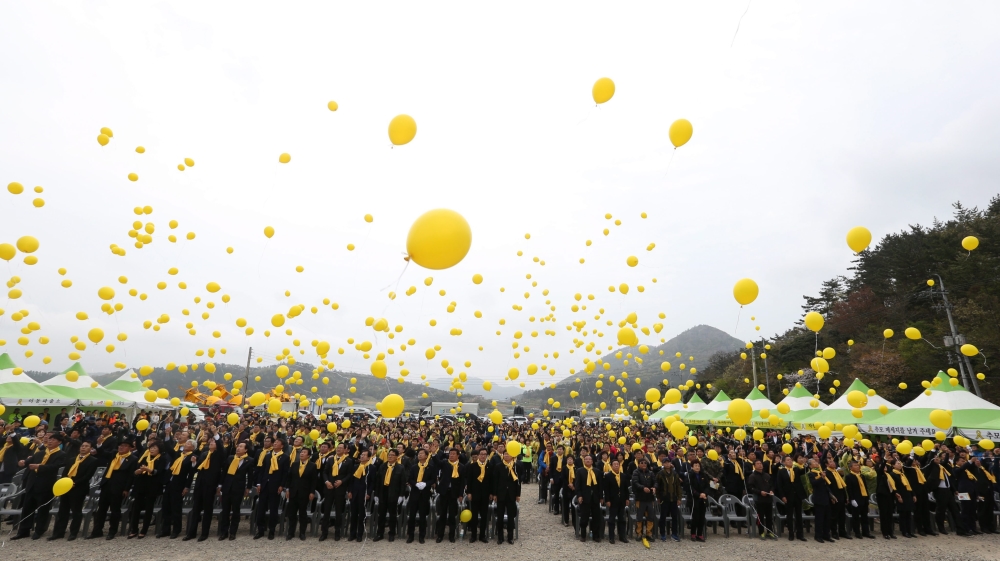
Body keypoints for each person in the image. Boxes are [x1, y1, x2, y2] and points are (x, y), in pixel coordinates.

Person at [11, 433, 68, 540]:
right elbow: (29, 460)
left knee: (43, 509)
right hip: (32, 483)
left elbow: (56, 466)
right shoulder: (40, 453)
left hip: (46, 484)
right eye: (49, 439)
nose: (50, 441)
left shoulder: (61, 454)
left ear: (59, 442)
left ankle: (39, 530)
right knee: (27, 508)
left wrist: (39, 467)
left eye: (54, 439)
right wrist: (23, 462)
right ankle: (23, 530)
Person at [87, 440, 137, 540]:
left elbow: (131, 476)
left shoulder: (132, 459)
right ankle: (97, 530)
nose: (121, 447)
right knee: (101, 509)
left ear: (130, 448)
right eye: (120, 445)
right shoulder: (114, 454)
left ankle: (112, 531)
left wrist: (126, 489)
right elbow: (103, 453)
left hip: (119, 487)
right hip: (107, 485)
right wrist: (99, 444)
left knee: (115, 510)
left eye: (124, 446)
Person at [49, 441, 98, 541]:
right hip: (66, 487)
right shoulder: (72, 459)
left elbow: (88, 476)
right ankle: (59, 532)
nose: (83, 448)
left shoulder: (92, 460)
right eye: (82, 446)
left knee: (76, 511)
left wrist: (74, 483)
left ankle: (73, 532)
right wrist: (64, 483)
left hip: (79, 488)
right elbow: (65, 472)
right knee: (63, 510)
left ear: (91, 448)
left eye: (86, 446)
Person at [184, 437, 224, 541]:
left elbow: (220, 446)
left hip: (210, 484)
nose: (211, 443)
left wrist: (215, 435)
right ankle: (191, 532)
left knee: (207, 509)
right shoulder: (204, 453)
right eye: (211, 441)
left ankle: (204, 533)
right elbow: (197, 466)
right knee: (195, 508)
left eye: (214, 442)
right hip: (200, 483)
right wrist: (193, 462)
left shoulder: (218, 454)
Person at [157, 440, 196, 538]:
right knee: (166, 507)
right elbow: (169, 449)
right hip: (170, 482)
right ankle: (165, 530)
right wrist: (167, 437)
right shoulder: (179, 455)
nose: (186, 445)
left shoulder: (193, 457)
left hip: (180, 484)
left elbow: (191, 474)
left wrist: (187, 487)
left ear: (193, 447)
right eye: (186, 443)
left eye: (188, 444)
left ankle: (176, 530)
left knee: (176, 508)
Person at [127, 442, 166, 539]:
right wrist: (138, 472)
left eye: (154, 448)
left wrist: (149, 470)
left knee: (149, 509)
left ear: (159, 449)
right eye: (151, 448)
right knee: (136, 508)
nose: (152, 450)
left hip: (152, 486)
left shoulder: (162, 458)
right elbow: (136, 471)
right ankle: (134, 529)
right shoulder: (145, 457)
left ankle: (144, 530)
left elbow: (159, 472)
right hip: (140, 485)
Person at [923, 451, 966, 535]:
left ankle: (960, 529)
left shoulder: (943, 467)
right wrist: (932, 451)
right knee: (941, 510)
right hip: (939, 491)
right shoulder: (932, 467)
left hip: (948, 490)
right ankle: (941, 528)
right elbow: (929, 461)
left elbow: (949, 479)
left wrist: (954, 490)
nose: (937, 459)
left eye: (938, 458)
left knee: (955, 510)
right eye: (935, 458)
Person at [254, 438, 289, 540]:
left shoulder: (285, 457)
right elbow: (262, 471)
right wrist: (259, 483)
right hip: (264, 485)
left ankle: (272, 530)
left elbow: (285, 473)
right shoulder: (268, 455)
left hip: (276, 486)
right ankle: (260, 529)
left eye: (277, 443)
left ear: (282, 446)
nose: (275, 444)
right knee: (261, 508)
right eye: (275, 442)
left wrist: (282, 485)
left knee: (273, 509)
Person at [217, 441, 253, 540]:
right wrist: (220, 485)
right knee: (225, 510)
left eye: (241, 447)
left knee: (236, 510)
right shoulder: (230, 458)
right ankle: (224, 532)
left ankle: (233, 532)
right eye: (238, 446)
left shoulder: (249, 460)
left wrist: (248, 487)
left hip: (238, 488)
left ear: (246, 450)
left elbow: (250, 476)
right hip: (227, 487)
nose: (238, 448)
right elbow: (224, 472)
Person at [320, 443, 353, 541]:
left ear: (345, 450)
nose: (338, 449)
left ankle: (337, 532)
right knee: (326, 511)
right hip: (329, 488)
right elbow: (325, 472)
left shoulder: (349, 461)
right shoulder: (330, 459)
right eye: (337, 448)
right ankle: (324, 532)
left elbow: (349, 474)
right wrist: (326, 482)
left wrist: (342, 481)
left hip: (340, 489)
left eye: (341, 448)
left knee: (339, 512)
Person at [283, 447, 317, 540]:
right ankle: (291, 532)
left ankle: (302, 533)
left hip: (304, 493)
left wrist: (312, 492)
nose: (302, 454)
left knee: (302, 514)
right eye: (301, 452)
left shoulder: (312, 465)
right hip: (293, 492)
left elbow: (314, 481)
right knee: (292, 514)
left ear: (308, 455)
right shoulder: (294, 464)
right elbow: (289, 478)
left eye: (304, 452)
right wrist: (287, 489)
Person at [373, 449, 406, 542]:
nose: (390, 456)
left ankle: (392, 533)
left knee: (393, 515)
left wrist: (401, 495)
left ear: (396, 457)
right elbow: (378, 481)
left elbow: (402, 482)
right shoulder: (382, 466)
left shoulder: (400, 467)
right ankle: (380, 533)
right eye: (389, 455)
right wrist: (376, 494)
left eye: (392, 455)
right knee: (381, 515)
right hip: (383, 493)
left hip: (394, 493)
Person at [406, 448, 436, 543]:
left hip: (425, 494)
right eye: (419, 453)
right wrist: (415, 484)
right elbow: (410, 479)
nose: (420, 455)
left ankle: (421, 536)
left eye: (422, 453)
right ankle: (410, 535)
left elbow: (433, 479)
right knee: (412, 516)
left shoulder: (431, 467)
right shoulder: (414, 467)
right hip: (414, 493)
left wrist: (425, 484)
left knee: (423, 516)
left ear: (426, 456)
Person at [434, 448, 464, 542]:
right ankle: (440, 535)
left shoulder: (461, 466)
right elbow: (437, 462)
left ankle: (451, 535)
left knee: (452, 515)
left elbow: (462, 482)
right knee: (442, 514)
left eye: (453, 454)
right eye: (450, 454)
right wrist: (434, 453)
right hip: (444, 492)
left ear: (458, 455)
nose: (451, 455)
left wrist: (460, 494)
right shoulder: (444, 463)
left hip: (454, 493)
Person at [775, 454, 806, 542]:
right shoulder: (781, 471)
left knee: (799, 515)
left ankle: (800, 534)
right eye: (788, 460)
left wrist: (805, 463)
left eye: (791, 460)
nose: (790, 461)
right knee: (789, 515)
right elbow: (779, 485)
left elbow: (804, 471)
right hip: (788, 496)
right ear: (784, 462)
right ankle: (791, 533)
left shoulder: (796, 469)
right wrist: (782, 496)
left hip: (797, 495)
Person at [492, 450, 520, 544]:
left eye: (508, 454)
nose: (506, 455)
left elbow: (518, 482)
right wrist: (495, 494)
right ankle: (500, 537)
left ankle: (510, 536)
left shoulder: (515, 466)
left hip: (511, 495)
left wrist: (518, 494)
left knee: (511, 517)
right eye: (505, 454)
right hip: (501, 494)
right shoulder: (498, 466)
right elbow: (495, 481)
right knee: (500, 516)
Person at [464, 447, 491, 543]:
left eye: (485, 454)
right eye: (481, 454)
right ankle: (473, 535)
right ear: (478, 455)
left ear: (487, 455)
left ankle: (482, 535)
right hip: (475, 494)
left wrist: (491, 493)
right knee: (474, 516)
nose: (483, 456)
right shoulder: (473, 466)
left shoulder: (490, 466)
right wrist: (469, 493)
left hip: (486, 495)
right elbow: (469, 481)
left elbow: (492, 481)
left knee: (484, 516)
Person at [655, 455, 683, 542]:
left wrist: (679, 498)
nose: (667, 464)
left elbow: (678, 486)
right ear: (663, 464)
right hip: (664, 498)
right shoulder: (660, 474)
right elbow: (657, 487)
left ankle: (674, 534)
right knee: (663, 516)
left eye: (668, 462)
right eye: (665, 462)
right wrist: (658, 497)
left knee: (675, 517)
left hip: (673, 498)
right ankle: (662, 534)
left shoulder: (675, 474)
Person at [348, 449, 373, 542]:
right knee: (353, 515)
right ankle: (352, 534)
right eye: (361, 455)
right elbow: (351, 480)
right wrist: (350, 491)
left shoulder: (371, 468)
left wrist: (369, 493)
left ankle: (360, 534)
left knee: (362, 516)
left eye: (364, 455)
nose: (362, 456)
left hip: (364, 494)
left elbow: (372, 483)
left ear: (368, 458)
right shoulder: (356, 466)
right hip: (354, 493)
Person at [575, 454, 601, 542]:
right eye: (586, 459)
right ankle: (583, 535)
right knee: (584, 517)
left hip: (595, 498)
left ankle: (596, 535)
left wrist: (600, 497)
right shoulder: (580, 471)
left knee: (596, 517)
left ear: (592, 461)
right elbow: (577, 485)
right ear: (584, 461)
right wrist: (579, 496)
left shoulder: (597, 471)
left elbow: (600, 486)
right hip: (584, 497)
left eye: (590, 459)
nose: (588, 460)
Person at [845, 460, 874, 539]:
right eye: (855, 465)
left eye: (858, 465)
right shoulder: (849, 476)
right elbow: (849, 489)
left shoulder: (862, 476)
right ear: (851, 468)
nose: (857, 467)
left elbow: (865, 486)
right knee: (856, 517)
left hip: (864, 498)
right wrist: (852, 499)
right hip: (856, 499)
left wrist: (867, 497)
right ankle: (857, 532)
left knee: (865, 516)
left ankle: (866, 532)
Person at [746, 459, 775, 539]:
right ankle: (761, 532)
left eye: (761, 463)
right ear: (754, 466)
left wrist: (772, 490)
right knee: (760, 516)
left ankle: (770, 531)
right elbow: (750, 488)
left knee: (769, 517)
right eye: (758, 464)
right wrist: (759, 492)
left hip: (768, 499)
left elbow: (772, 485)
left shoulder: (767, 475)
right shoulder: (752, 476)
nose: (760, 465)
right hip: (759, 499)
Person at [604, 458, 629, 544]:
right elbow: (606, 490)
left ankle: (622, 536)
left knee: (622, 519)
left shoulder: (623, 476)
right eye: (614, 464)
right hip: (612, 500)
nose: (616, 465)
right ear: (611, 466)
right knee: (612, 519)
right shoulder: (608, 476)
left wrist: (627, 498)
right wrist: (607, 500)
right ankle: (611, 537)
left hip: (621, 500)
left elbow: (626, 489)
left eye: (617, 464)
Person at [889, 458, 916, 538]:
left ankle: (909, 530)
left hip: (908, 495)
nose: (899, 465)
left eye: (900, 463)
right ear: (893, 465)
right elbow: (893, 486)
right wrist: (897, 495)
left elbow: (908, 485)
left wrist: (913, 494)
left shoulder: (903, 474)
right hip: (900, 495)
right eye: (897, 463)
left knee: (908, 514)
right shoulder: (892, 474)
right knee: (903, 514)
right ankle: (904, 531)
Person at [631, 457, 656, 542]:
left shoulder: (651, 473)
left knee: (650, 516)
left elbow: (655, 482)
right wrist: (643, 488)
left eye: (645, 463)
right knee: (639, 517)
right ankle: (639, 533)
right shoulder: (636, 472)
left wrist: (654, 487)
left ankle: (649, 533)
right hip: (640, 498)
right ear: (638, 464)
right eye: (641, 463)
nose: (643, 464)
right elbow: (635, 482)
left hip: (650, 498)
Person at [807, 457, 832, 543]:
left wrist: (831, 495)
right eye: (814, 462)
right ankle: (818, 536)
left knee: (827, 518)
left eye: (816, 462)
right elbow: (814, 483)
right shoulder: (811, 474)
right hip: (818, 498)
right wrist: (822, 477)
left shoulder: (821, 472)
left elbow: (826, 485)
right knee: (819, 519)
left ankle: (826, 535)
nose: (816, 463)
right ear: (810, 466)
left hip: (826, 497)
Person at [687, 459, 709, 542]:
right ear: (692, 467)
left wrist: (704, 494)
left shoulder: (703, 475)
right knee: (695, 518)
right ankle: (693, 534)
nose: (697, 467)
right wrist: (698, 494)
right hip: (694, 499)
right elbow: (689, 487)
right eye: (695, 466)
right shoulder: (689, 475)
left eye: (698, 466)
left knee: (701, 518)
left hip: (703, 498)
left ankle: (700, 534)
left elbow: (707, 486)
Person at [559, 454, 576, 527]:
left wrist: (573, 485)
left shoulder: (576, 468)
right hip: (566, 488)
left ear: (573, 460)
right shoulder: (564, 468)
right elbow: (562, 478)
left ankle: (574, 521)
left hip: (574, 489)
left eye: (571, 459)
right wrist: (569, 484)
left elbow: (578, 478)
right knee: (565, 505)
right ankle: (566, 520)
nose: (570, 460)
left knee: (574, 505)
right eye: (568, 459)